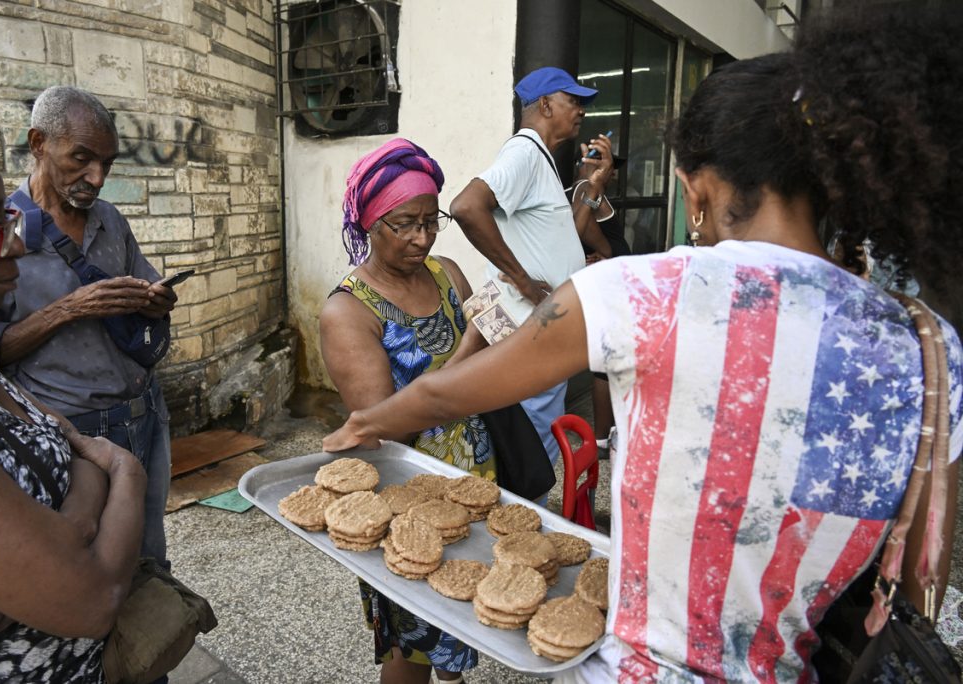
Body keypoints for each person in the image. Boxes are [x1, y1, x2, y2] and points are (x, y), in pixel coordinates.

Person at [321, 5, 963, 681]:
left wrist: (366, 422)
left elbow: (452, 392)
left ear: (698, 186)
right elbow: (923, 570)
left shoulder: (641, 294)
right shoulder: (930, 347)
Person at [0, 112, 146, 680]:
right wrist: (123, 469)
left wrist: (45, 548)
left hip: (129, 406)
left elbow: (68, 445)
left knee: (144, 561)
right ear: (39, 145)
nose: (11, 246)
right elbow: (92, 598)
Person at [0, 86, 176, 565]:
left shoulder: (110, 220)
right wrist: (67, 309)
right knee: (88, 560)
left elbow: (146, 281)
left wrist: (156, 300)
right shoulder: (0, 231)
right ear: (38, 143)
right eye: (81, 158)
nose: (96, 178)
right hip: (74, 433)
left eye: (107, 163)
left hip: (145, 412)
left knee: (149, 551)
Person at [319, 138, 492, 684]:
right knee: (411, 642)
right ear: (370, 223)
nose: (422, 237)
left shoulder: (447, 274)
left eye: (430, 220)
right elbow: (381, 422)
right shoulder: (348, 310)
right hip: (407, 498)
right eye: (405, 224)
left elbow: (493, 355)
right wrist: (474, 344)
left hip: (475, 476)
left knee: (464, 611)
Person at [450, 66, 613, 470]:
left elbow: (565, 236)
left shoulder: (540, 159)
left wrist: (592, 186)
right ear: (545, 104)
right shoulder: (524, 151)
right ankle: (519, 523)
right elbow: (466, 207)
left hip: (540, 325)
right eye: (572, 101)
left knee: (532, 438)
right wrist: (522, 279)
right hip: (527, 325)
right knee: (529, 447)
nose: (581, 112)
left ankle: (521, 516)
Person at [567, 152, 631, 459]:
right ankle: (602, 439)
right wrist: (607, 251)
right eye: (607, 166)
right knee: (604, 368)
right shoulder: (585, 190)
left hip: (607, 281)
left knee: (605, 365)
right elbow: (578, 231)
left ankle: (603, 437)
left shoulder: (587, 191)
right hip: (606, 284)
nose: (612, 173)